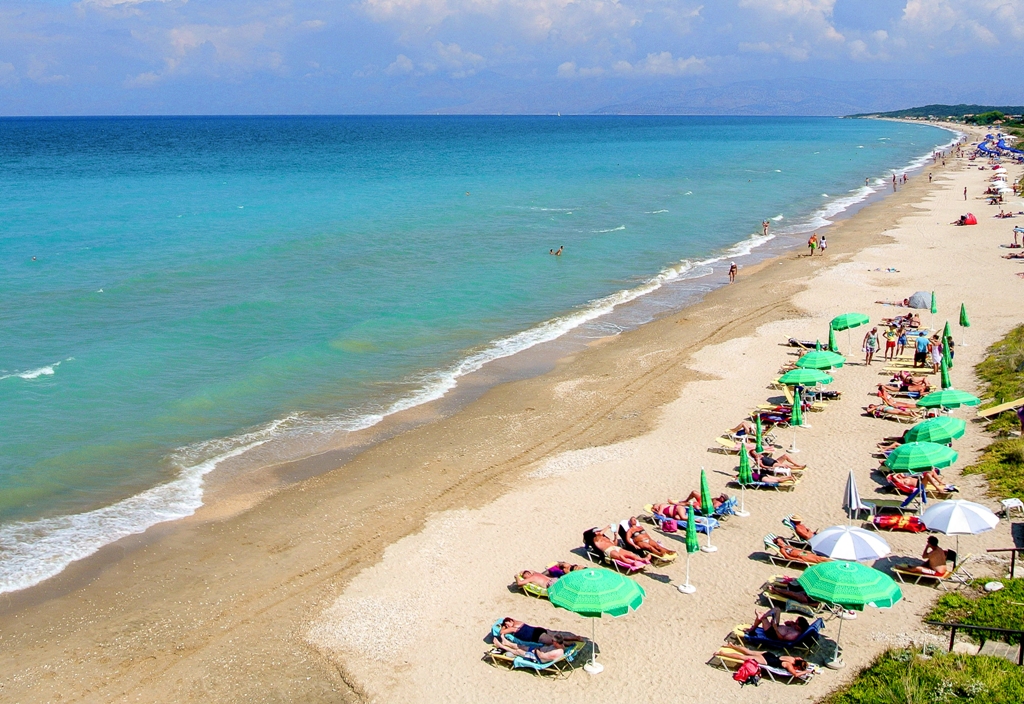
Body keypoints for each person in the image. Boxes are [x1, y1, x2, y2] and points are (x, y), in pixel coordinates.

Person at [716, 644, 813, 677]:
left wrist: (802, 663)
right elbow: (795, 674)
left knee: (749, 651)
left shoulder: (792, 659)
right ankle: (722, 654)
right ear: (798, 666)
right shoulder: (789, 665)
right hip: (766, 660)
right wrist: (805, 671)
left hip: (769, 654)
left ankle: (732, 646)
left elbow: (800, 659)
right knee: (744, 657)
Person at [584, 527, 650, 570]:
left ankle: (643, 559)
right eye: (597, 532)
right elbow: (600, 533)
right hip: (608, 551)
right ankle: (632, 563)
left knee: (630, 553)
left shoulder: (605, 538)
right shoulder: (595, 540)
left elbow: (614, 543)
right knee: (620, 556)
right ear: (595, 534)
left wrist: (615, 536)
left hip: (615, 547)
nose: (599, 532)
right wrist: (608, 526)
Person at [498, 618, 582, 645]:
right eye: (506, 625)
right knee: (556, 636)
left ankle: (572, 644)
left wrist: (503, 627)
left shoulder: (513, 628)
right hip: (538, 629)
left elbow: (501, 632)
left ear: (511, 621)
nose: (507, 626)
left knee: (555, 641)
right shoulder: (518, 622)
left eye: (507, 624)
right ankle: (575, 638)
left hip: (536, 635)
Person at [494, 633, 567, 663]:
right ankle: (506, 643)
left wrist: (537, 650)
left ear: (556, 642)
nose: (551, 642)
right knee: (522, 646)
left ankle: (501, 646)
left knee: (518, 651)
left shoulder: (556, 652)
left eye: (552, 641)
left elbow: (542, 656)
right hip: (538, 651)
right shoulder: (561, 645)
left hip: (537, 657)